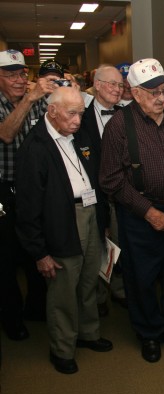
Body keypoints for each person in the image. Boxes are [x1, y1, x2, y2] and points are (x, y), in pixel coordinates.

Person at [100, 58, 164, 363]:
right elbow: (111, 179)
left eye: (163, 90)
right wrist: (149, 212)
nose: (161, 97)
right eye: (152, 92)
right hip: (140, 216)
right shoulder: (119, 126)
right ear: (134, 93)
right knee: (142, 278)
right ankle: (149, 332)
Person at [15, 86, 112, 374]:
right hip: (60, 221)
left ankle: (89, 333)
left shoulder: (80, 135)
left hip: (90, 215)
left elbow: (95, 176)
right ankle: (62, 349)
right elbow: (28, 208)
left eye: (81, 113)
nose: (78, 120)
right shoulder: (34, 148)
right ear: (52, 111)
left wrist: (102, 221)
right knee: (63, 290)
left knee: (89, 280)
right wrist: (40, 252)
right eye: (71, 114)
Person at [0, 50, 52, 340]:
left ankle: (36, 307)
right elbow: (6, 133)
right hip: (3, 190)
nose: (19, 80)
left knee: (36, 250)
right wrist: (29, 100)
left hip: (34, 189)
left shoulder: (38, 102)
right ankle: (11, 317)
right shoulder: (25, 102)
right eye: (11, 75)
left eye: (22, 74)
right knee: (7, 258)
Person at [81, 64, 126, 316]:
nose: (117, 89)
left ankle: (119, 290)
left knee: (119, 245)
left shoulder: (126, 115)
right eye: (111, 84)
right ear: (97, 85)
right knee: (95, 246)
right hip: (92, 193)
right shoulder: (81, 116)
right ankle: (97, 297)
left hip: (120, 194)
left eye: (120, 85)